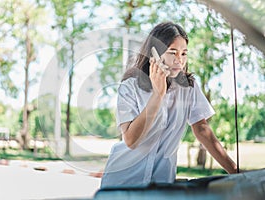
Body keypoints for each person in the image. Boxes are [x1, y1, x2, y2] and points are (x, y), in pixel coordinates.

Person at [100, 21, 237, 188]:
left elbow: (202, 129)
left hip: (162, 183)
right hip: (123, 181)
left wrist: (236, 171)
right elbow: (130, 140)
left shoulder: (188, 87)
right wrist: (158, 95)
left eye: (184, 54)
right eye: (173, 52)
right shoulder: (130, 86)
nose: (179, 60)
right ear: (154, 53)